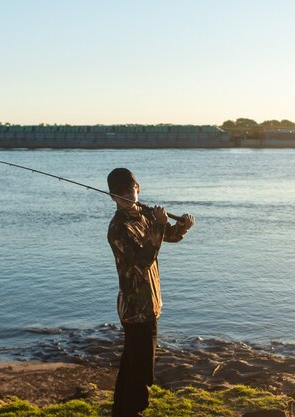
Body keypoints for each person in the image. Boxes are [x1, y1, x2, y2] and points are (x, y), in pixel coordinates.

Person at [106, 168, 195, 417]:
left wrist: (181, 226)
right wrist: (158, 226)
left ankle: (120, 412)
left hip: (149, 304)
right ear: (113, 197)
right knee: (142, 370)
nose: (126, 196)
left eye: (129, 189)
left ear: (138, 187)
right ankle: (133, 411)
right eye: (120, 193)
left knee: (131, 365)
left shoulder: (144, 215)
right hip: (136, 308)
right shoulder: (118, 228)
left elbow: (168, 237)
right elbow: (141, 261)